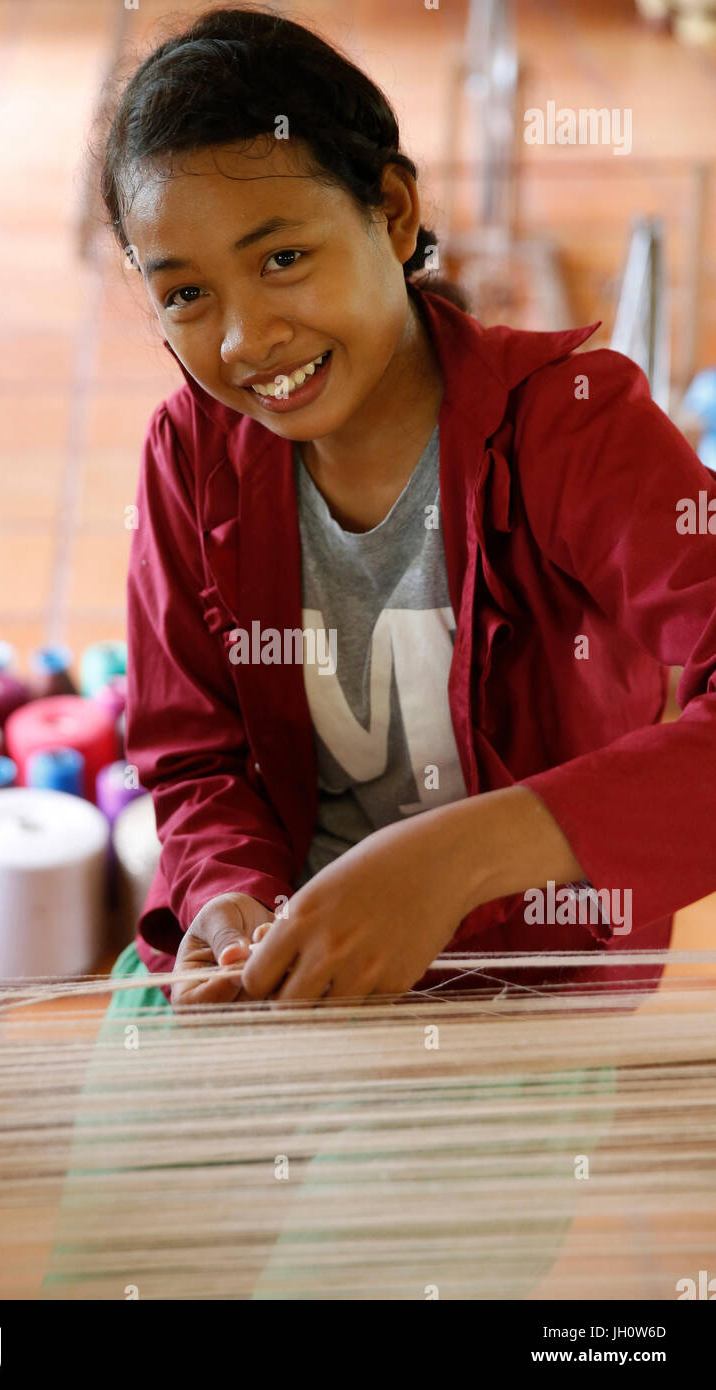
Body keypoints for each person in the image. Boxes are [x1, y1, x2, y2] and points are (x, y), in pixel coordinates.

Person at [99, 4, 716, 1016]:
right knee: (135, 1166)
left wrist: (459, 858)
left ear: (390, 214)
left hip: (518, 982)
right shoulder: (189, 454)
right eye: (186, 295)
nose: (247, 337)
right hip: (293, 969)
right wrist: (228, 898)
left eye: (283, 258)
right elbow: (192, 759)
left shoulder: (566, 426)